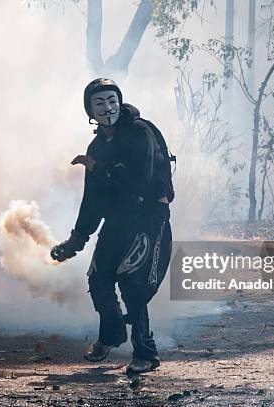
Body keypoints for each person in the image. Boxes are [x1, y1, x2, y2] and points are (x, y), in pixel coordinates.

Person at [51, 78, 173, 374]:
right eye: (99, 102)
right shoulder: (96, 146)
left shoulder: (140, 132)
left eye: (111, 100)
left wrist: (98, 168)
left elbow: (139, 183)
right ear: (89, 110)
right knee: (98, 279)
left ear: (120, 102)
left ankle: (146, 352)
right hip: (118, 220)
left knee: (134, 285)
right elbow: (93, 199)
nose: (107, 107)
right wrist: (76, 239)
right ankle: (112, 335)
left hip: (148, 218)